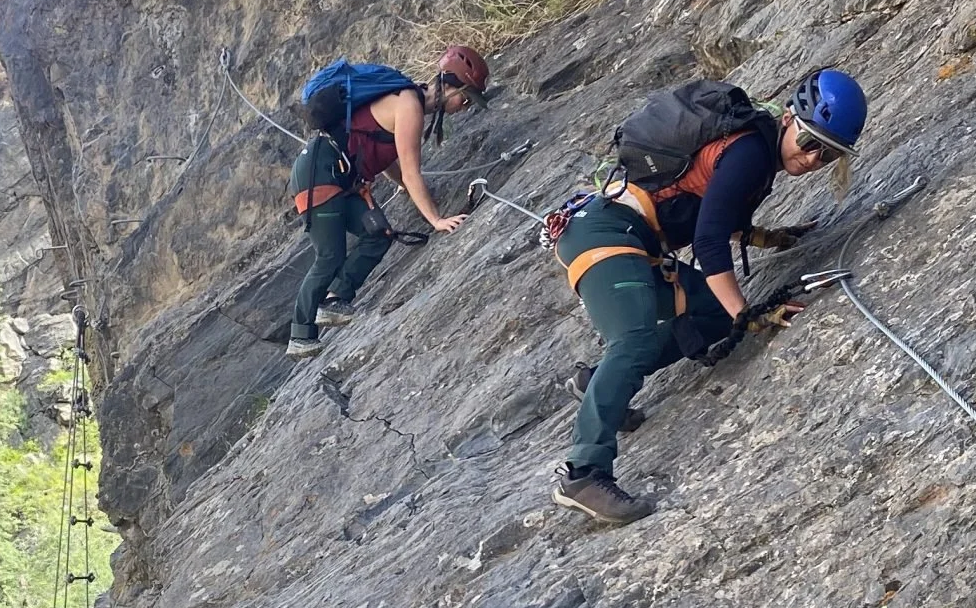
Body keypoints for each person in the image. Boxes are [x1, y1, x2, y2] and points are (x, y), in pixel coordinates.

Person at [550, 69, 868, 524]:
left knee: (713, 317)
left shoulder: (754, 151)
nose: (815, 158)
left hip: (634, 239)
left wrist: (770, 239)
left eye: (830, 154)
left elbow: (712, 205)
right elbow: (709, 242)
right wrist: (746, 314)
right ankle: (582, 471)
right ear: (789, 119)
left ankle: (598, 382)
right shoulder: (751, 152)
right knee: (636, 339)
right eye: (811, 142)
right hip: (604, 233)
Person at [287, 47, 488, 357]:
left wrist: (401, 186)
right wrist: (435, 220)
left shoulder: (407, 103)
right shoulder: (409, 106)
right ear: (450, 86)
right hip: (319, 172)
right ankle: (300, 334)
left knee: (378, 233)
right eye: (466, 98)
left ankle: (333, 299)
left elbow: (384, 155)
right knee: (330, 254)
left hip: (336, 175)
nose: (465, 106)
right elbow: (411, 172)